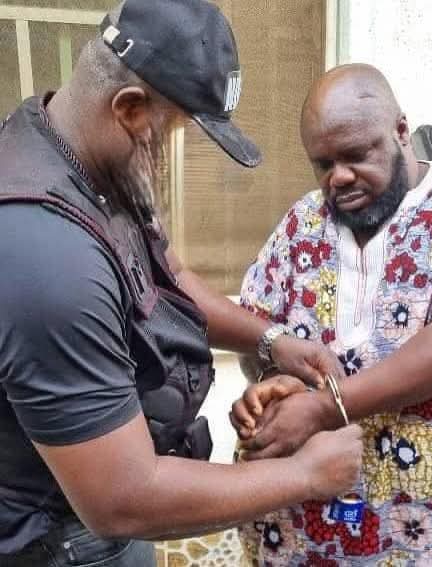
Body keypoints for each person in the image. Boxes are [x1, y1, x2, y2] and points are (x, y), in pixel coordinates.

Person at [0, 2, 363, 566]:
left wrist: (269, 340)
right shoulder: (48, 257)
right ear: (128, 109)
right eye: (175, 131)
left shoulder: (78, 155)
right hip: (58, 543)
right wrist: (307, 475)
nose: (172, 156)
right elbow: (122, 499)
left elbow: (167, 275)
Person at [231, 63, 432, 565]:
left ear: (401, 131)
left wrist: (325, 408)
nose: (339, 176)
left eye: (355, 155)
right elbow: (259, 331)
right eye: (323, 163)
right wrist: (271, 384)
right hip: (311, 544)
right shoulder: (301, 224)